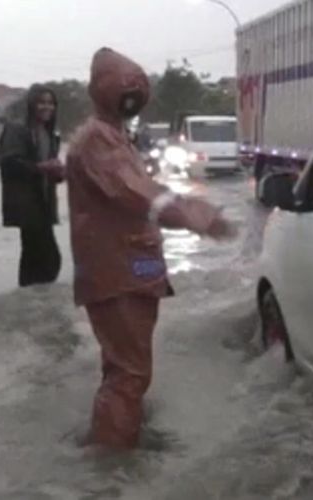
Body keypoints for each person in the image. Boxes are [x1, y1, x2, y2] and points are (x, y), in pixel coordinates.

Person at [66, 47, 234, 449]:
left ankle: (118, 435)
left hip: (127, 270)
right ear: (101, 90)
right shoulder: (98, 140)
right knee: (130, 374)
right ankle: (114, 463)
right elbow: (136, 194)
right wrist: (190, 213)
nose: (134, 93)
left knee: (123, 368)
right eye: (126, 86)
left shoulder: (112, 135)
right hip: (118, 273)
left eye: (138, 86)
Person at [0, 85, 65, 287]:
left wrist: (58, 173)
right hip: (26, 204)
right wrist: (41, 168)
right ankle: (33, 304)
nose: (47, 107)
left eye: (51, 103)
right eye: (42, 102)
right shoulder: (17, 130)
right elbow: (9, 163)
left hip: (44, 203)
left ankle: (31, 304)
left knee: (37, 259)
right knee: (48, 258)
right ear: (32, 105)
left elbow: (49, 168)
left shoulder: (50, 134)